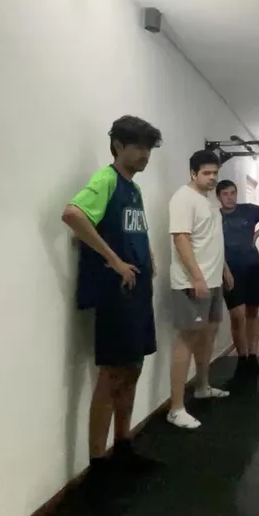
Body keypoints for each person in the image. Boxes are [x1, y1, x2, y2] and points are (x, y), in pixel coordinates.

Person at [60, 116, 164, 491]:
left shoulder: (132, 189)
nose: (145, 154)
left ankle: (123, 446)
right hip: (115, 293)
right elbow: (72, 214)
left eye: (149, 148)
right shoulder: (106, 179)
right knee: (112, 374)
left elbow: (130, 229)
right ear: (119, 145)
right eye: (139, 147)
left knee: (133, 368)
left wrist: (148, 256)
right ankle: (97, 464)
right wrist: (114, 260)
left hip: (137, 290)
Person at [166, 150, 235, 429]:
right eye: (206, 173)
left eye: (215, 173)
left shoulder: (208, 202)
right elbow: (181, 239)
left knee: (209, 333)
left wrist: (224, 269)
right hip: (192, 283)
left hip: (213, 280)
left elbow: (212, 240)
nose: (212, 178)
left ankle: (203, 387)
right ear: (193, 173)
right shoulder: (183, 198)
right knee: (187, 338)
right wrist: (197, 278)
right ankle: (175, 408)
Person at [217, 179, 259, 382]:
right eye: (225, 193)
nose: (230, 197)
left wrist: (257, 233)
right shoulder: (215, 216)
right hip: (230, 269)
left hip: (252, 266)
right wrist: (224, 269)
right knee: (237, 315)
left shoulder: (248, 209)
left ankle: (252, 357)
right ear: (219, 197)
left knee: (253, 312)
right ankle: (241, 358)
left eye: (233, 193)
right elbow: (213, 244)